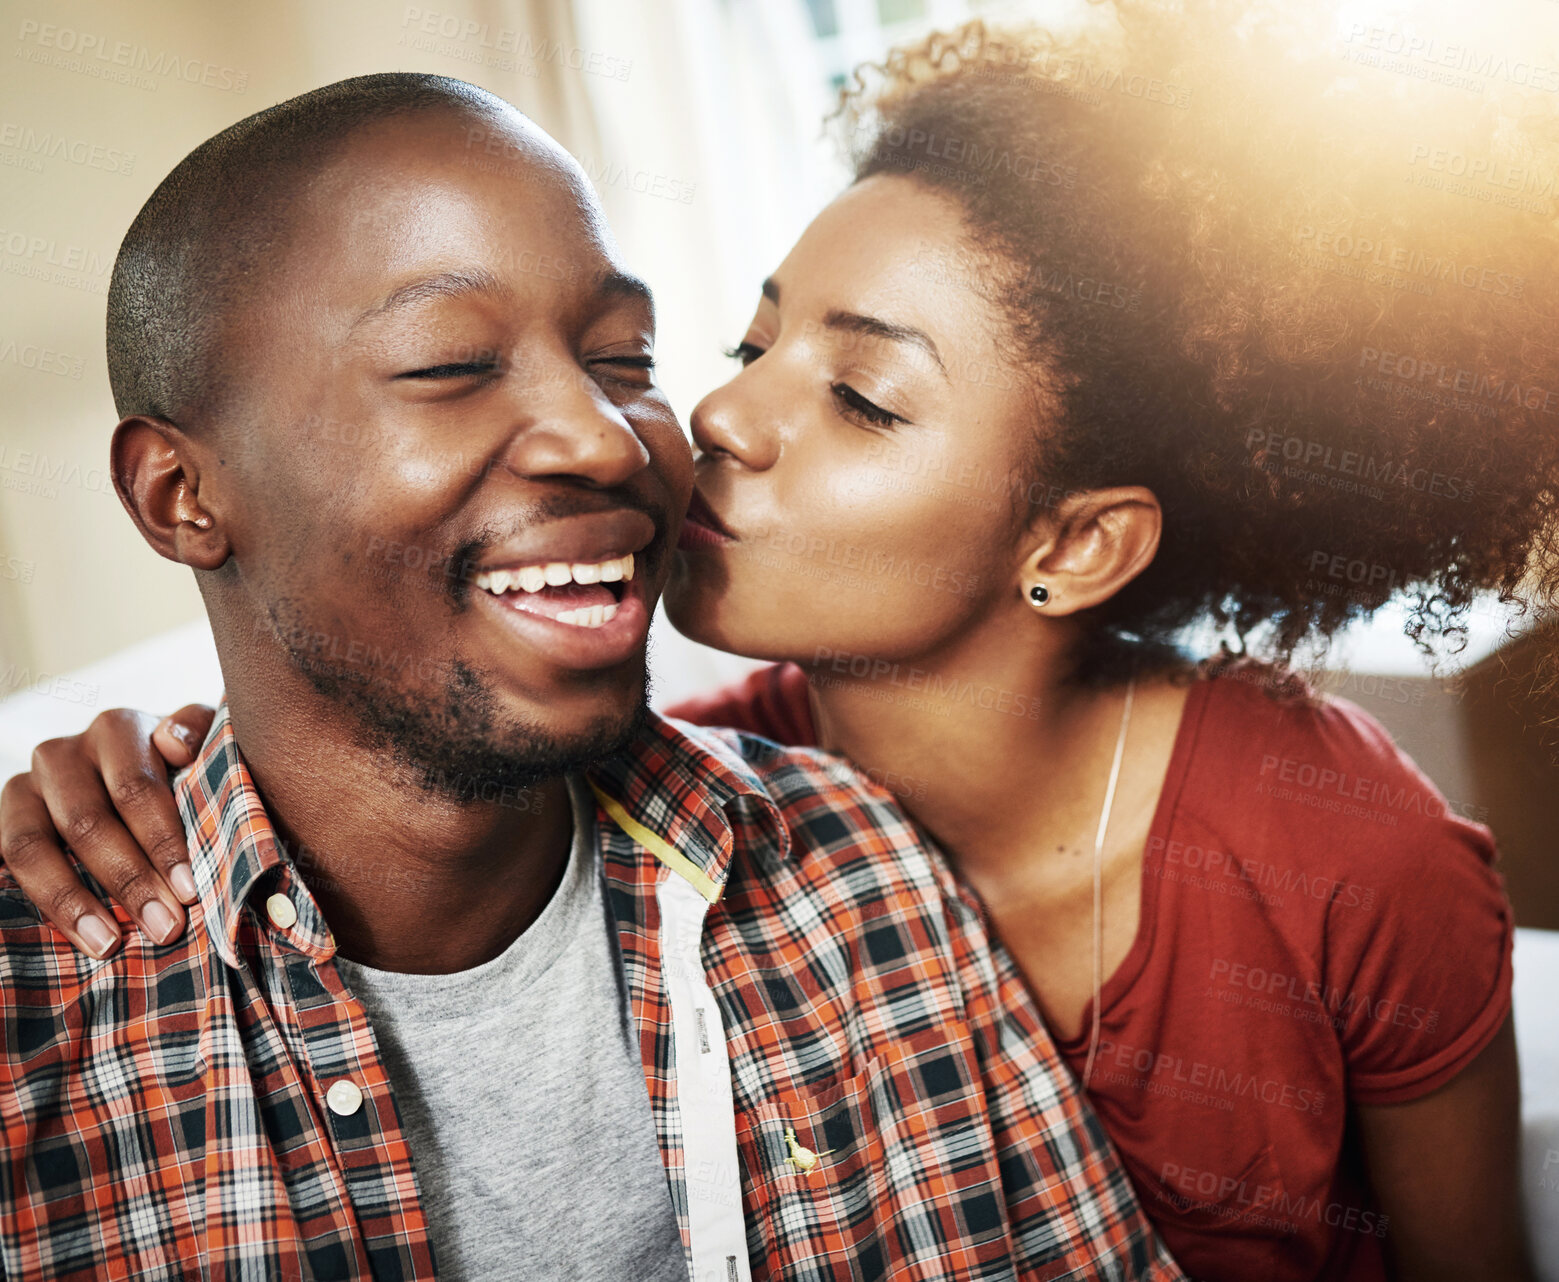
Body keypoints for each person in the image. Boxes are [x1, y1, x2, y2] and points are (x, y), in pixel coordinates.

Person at [6, 6, 1559, 1281]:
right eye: (742, 347)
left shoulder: (909, 872)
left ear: (1073, 544)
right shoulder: (692, 772)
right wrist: (125, 776)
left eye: (865, 398)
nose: (698, 423)